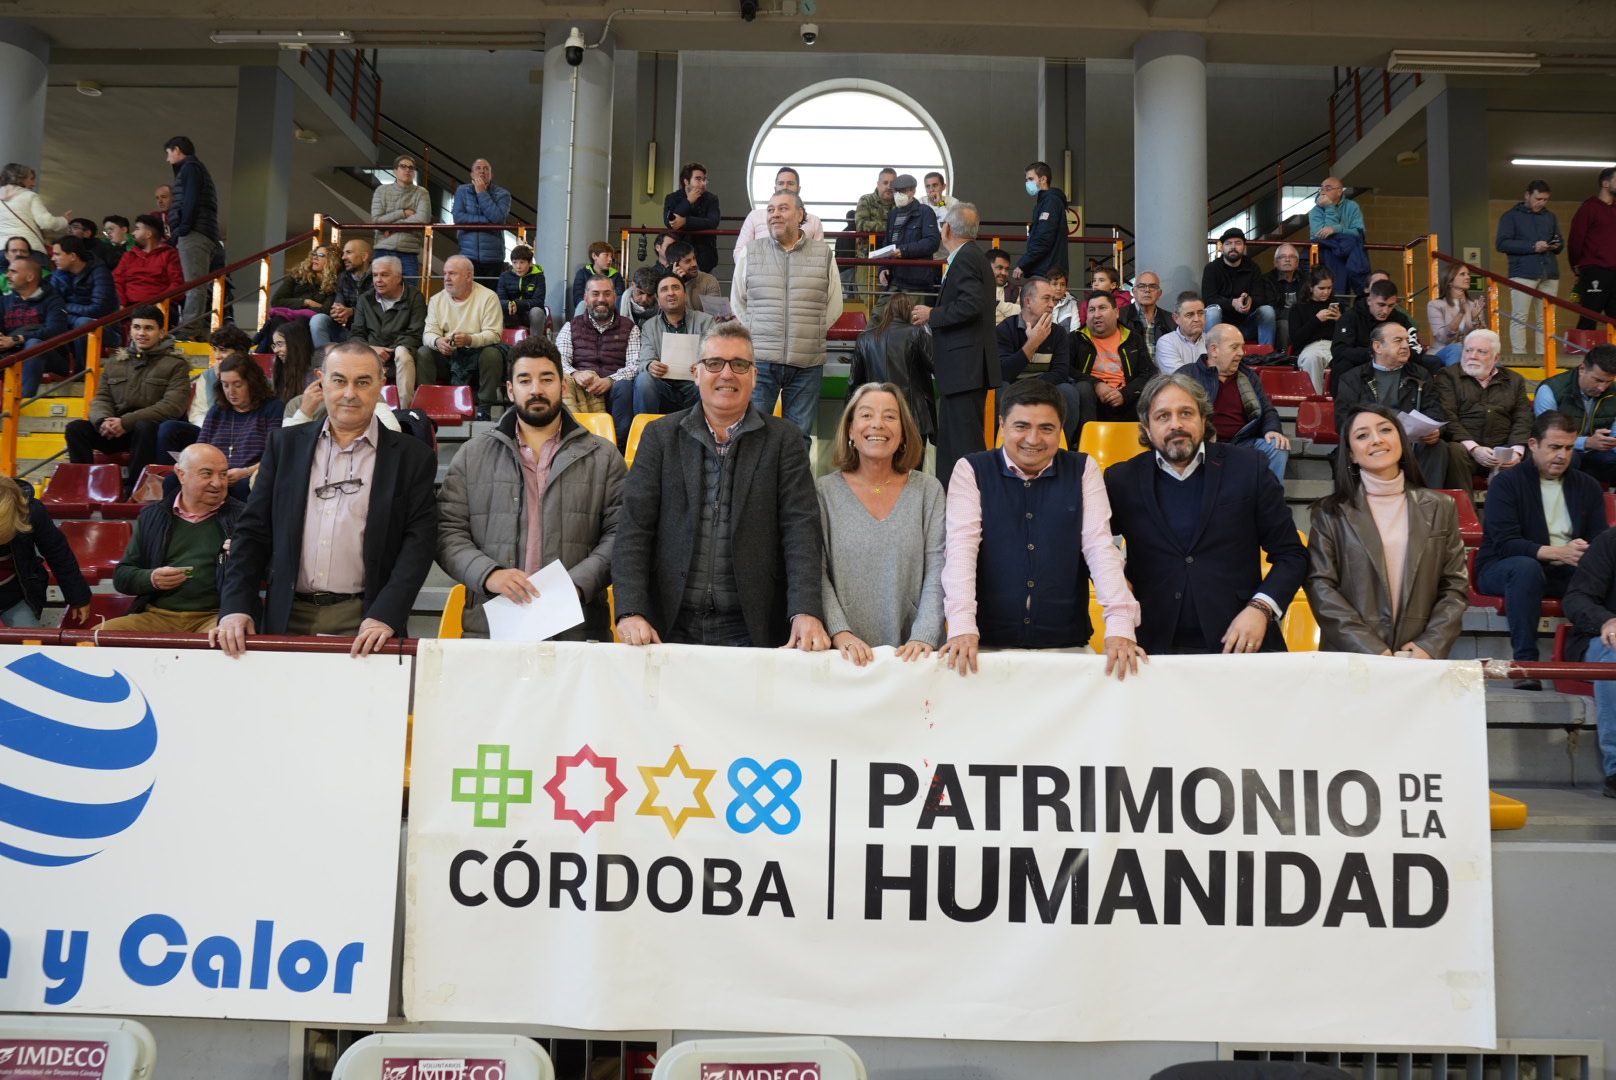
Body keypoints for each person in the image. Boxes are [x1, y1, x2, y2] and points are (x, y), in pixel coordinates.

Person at [212, 341, 438, 656]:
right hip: (286, 615)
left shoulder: (414, 457)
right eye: (339, 380)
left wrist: (386, 614)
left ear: (380, 384)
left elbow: (419, 545)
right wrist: (236, 605)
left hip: (366, 623)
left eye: (362, 382)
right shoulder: (283, 446)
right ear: (321, 380)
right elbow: (252, 533)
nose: (349, 393)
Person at [612, 321, 828, 650]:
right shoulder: (660, 438)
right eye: (714, 363)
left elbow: (801, 531)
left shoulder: (785, 441)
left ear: (754, 377)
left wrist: (805, 611)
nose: (727, 374)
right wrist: (630, 611)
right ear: (696, 373)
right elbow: (633, 529)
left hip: (752, 628)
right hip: (667, 627)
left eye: (739, 364)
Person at [939, 379, 1144, 678]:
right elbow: (960, 550)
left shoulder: (1083, 469)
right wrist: (961, 627)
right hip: (985, 646)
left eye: (1046, 428)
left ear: (1060, 429)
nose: (1033, 439)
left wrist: (1121, 626)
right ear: (1002, 425)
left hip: (1066, 645)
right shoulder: (971, 469)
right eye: (1021, 426)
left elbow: (1099, 547)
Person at [438, 335, 625, 640]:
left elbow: (622, 534)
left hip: (577, 626)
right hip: (492, 626)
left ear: (563, 386)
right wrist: (489, 575)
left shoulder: (603, 456)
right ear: (510, 390)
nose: (536, 389)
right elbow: (447, 532)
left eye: (547, 379)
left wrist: (575, 584)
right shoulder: (473, 455)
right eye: (525, 380)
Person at [1106, 372, 1306, 654]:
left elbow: (1292, 555)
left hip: (1242, 645)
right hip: (1151, 646)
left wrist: (1261, 608)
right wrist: (1114, 571)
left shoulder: (1250, 468)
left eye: (1185, 413)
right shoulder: (1121, 479)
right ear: (1147, 429)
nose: (1176, 424)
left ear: (1203, 419)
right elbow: (1088, 544)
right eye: (1163, 416)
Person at [1305, 405, 1468, 658]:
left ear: (1401, 440)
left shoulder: (1440, 507)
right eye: (1362, 435)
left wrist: (1430, 644)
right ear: (1351, 455)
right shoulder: (1329, 513)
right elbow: (1321, 586)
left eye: (1385, 430)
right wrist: (1371, 649)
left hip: (1417, 657)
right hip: (1352, 659)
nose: (1376, 439)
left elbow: (1454, 586)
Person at [819, 383, 946, 664]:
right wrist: (840, 633)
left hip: (916, 656)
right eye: (866, 415)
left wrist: (924, 634)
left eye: (890, 416)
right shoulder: (823, 492)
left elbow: (939, 568)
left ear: (903, 432)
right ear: (850, 429)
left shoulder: (929, 491)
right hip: (845, 657)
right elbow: (816, 572)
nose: (878, 424)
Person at [1475, 411, 1608, 678]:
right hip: (1503, 567)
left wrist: (1585, 553)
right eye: (1555, 447)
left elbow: (1600, 539)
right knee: (1526, 568)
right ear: (1533, 444)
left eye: (1569, 448)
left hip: (1566, 569)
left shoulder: (1588, 486)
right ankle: (1526, 665)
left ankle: (1588, 652)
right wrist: (1559, 552)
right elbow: (1506, 544)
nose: (1562, 455)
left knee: (1605, 571)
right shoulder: (1506, 483)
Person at [732, 191, 843, 442]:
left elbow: (835, 305)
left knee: (798, 437)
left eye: (782, 209)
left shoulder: (823, 254)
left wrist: (810, 331)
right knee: (751, 433)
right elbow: (738, 301)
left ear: (800, 215)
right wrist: (754, 330)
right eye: (770, 210)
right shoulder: (752, 251)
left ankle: (793, 484)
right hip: (760, 361)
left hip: (807, 363)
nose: (775, 215)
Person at [101, 443, 245, 633]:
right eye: (207, 474)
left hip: (217, 616)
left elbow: (270, 573)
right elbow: (122, 577)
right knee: (95, 640)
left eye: (223, 474)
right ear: (181, 474)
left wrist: (247, 556)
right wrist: (151, 578)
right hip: (155, 616)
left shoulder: (244, 517)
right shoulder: (152, 515)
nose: (218, 483)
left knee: (227, 640)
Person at [909, 203, 996, 487]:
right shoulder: (971, 256)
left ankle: (962, 507)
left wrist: (932, 314)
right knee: (956, 444)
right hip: (964, 370)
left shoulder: (966, 258)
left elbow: (970, 304)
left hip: (964, 370)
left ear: (947, 229)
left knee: (961, 449)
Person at [63, 305, 189, 495]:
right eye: (137, 327)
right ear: (130, 330)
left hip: (151, 435)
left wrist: (126, 421)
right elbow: (101, 398)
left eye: (148, 328)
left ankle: (134, 489)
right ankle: (82, 487)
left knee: (145, 426)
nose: (141, 333)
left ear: (161, 332)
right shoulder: (116, 362)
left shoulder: (176, 364)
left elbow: (172, 406)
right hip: (117, 430)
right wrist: (103, 420)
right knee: (76, 429)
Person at [1333, 322, 1447, 486]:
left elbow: (1435, 410)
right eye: (1398, 340)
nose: (1406, 346)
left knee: (1438, 446)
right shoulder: (1353, 378)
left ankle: (1425, 501)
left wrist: (1436, 430)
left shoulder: (1420, 374)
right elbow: (1343, 421)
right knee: (1347, 450)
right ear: (1378, 346)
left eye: (1407, 340)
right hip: (1373, 441)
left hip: (1410, 443)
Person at [156, 353, 282, 499]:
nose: (230, 392)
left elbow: (275, 455)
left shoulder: (273, 409)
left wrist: (246, 471)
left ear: (252, 382)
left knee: (243, 486)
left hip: (249, 475)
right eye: (225, 385)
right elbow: (201, 448)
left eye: (237, 384)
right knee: (171, 481)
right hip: (212, 475)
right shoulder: (217, 410)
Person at [1185, 324, 1290, 483]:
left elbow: (1267, 409)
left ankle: (1269, 503)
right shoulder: (1187, 375)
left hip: (1243, 443)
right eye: (1234, 347)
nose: (1241, 353)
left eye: (1242, 347)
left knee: (1277, 446)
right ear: (1214, 350)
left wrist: (1272, 429)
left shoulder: (1248, 375)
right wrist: (1204, 434)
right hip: (1203, 443)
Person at [1435, 329, 1534, 493]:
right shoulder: (1448, 376)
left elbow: (1522, 418)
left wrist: (1516, 451)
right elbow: (1448, 416)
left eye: (1481, 352)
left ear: (1496, 358)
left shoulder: (1514, 380)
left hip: (1503, 449)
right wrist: (1474, 449)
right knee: (1453, 450)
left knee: (1538, 452)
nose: (1472, 356)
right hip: (1465, 450)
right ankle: (1465, 513)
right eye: (1468, 350)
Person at [1561, 527, 1616, 796]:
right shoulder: (1610, 542)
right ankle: (1615, 768)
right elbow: (1576, 598)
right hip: (1601, 639)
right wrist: (1607, 620)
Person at [557, 273, 640, 445]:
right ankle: (571, 444)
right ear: (586, 298)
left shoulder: (630, 328)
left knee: (624, 387)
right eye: (595, 294)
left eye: (607, 294)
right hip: (581, 388)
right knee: (563, 381)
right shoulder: (570, 327)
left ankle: (618, 450)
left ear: (615, 297)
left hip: (614, 389)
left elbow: (635, 365)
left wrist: (610, 380)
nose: (601, 299)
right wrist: (575, 374)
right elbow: (559, 360)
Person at [416, 254, 505, 414]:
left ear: (468, 276)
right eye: (444, 273)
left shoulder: (488, 297)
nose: (446, 278)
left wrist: (469, 339)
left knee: (492, 354)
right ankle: (428, 406)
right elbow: (428, 333)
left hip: (478, 356)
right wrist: (437, 341)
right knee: (424, 352)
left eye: (452, 273)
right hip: (448, 356)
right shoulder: (436, 299)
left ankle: (483, 410)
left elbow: (494, 335)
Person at [0, 476, 90, 628]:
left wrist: (78, 597)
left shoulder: (32, 512)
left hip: (16, 595)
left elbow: (58, 554)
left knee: (31, 643)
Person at [851, 291, 934, 445]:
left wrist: (850, 418)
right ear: (908, 311)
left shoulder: (864, 338)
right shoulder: (918, 333)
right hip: (914, 415)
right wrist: (927, 330)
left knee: (879, 462)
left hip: (877, 415)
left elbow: (854, 383)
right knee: (912, 466)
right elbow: (935, 365)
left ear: (887, 310)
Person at [1071, 291, 1154, 443]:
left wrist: (1125, 394)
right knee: (1082, 388)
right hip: (1092, 402)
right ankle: (1088, 445)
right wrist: (1095, 384)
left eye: (1102, 308)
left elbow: (1148, 373)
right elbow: (1065, 370)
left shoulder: (1133, 338)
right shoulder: (1075, 339)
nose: (1096, 315)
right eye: (1091, 310)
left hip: (1127, 400)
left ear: (1116, 312)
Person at [349, 254, 427, 407]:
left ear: (398, 277)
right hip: (373, 351)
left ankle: (404, 410)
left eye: (384, 275)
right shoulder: (365, 299)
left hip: (403, 350)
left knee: (402, 355)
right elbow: (356, 334)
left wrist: (392, 350)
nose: (378, 280)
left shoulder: (415, 297)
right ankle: (362, 407)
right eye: (375, 275)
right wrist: (371, 349)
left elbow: (416, 332)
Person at [163, 136, 221, 337]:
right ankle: (197, 328)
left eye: (168, 153)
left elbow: (190, 200)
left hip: (195, 233)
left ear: (177, 150)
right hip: (201, 231)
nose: (167, 159)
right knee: (196, 284)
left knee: (194, 285)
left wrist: (182, 228)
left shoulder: (190, 168)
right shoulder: (194, 169)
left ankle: (188, 330)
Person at [632, 272, 713, 416]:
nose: (670, 293)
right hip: (664, 387)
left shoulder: (706, 322)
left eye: (675, 288)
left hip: (695, 387)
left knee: (708, 380)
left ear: (685, 294)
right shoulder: (649, 326)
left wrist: (704, 365)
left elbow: (716, 357)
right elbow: (644, 360)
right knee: (644, 379)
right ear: (657, 299)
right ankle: (645, 434)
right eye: (664, 290)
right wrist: (650, 365)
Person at [1496, 179, 1562, 355]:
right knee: (1520, 317)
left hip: (1549, 272)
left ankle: (1545, 357)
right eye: (1538, 198)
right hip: (1523, 272)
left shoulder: (1550, 216)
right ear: (1527, 195)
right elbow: (1502, 244)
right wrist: (1533, 246)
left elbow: (1560, 242)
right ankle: (1519, 356)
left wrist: (1557, 245)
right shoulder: (1510, 216)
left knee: (1546, 319)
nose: (1541, 203)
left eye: (1545, 199)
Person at [1535, 343, 1616, 485]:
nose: (1602, 388)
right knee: (1569, 460)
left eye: (1608, 382)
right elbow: (1546, 437)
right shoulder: (1551, 390)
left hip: (1598, 454)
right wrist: (1587, 443)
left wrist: (1610, 442)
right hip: (1560, 449)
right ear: (1582, 369)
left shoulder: (1613, 392)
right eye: (1597, 380)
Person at [1331, 279, 1429, 385]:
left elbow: (1416, 349)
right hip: (1360, 364)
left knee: (1429, 363)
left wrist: (1396, 355)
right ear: (1369, 301)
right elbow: (1340, 351)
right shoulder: (1350, 318)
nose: (1385, 311)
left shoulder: (1401, 319)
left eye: (1391, 305)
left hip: (1396, 364)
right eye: (1381, 305)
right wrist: (1377, 354)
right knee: (1342, 365)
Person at [0, 253, 69, 396]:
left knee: (34, 344)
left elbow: (56, 330)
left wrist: (17, 339)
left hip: (52, 358)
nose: (7, 275)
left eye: (13, 271)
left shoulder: (53, 300)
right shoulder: (3, 301)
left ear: (30, 277)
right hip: (12, 355)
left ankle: (23, 404)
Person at [48, 235, 117, 365]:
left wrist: (66, 307)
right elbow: (53, 309)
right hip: (71, 325)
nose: (53, 258)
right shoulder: (57, 276)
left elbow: (99, 309)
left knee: (83, 323)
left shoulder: (100, 272)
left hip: (106, 328)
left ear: (73, 256)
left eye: (57, 254)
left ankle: (83, 372)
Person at [1201, 228, 1275, 346]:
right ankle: (1211, 355)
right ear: (1222, 247)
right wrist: (1233, 303)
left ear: (1244, 247)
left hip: (1247, 324)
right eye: (1228, 243)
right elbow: (1208, 299)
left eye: (1238, 243)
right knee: (1212, 311)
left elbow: (1261, 297)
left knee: (1267, 310)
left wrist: (1250, 300)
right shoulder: (1212, 268)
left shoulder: (1253, 267)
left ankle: (1266, 356)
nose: (1233, 247)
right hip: (1221, 326)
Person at [255, 243, 335, 351]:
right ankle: (276, 359)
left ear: (332, 261)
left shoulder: (334, 284)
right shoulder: (297, 276)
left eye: (321, 255)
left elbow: (325, 310)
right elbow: (276, 301)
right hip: (287, 317)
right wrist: (306, 302)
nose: (315, 257)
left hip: (308, 321)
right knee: (278, 320)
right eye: (314, 254)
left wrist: (294, 304)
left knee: (301, 321)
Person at [370, 153, 431, 282]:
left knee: (409, 293)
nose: (408, 170)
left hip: (408, 251)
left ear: (414, 172)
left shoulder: (422, 192)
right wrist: (403, 213)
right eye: (403, 166)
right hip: (383, 249)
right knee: (380, 292)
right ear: (395, 171)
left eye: (411, 167)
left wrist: (393, 228)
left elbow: (422, 219)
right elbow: (376, 220)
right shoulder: (381, 190)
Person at [879, 174, 941, 299]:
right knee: (879, 316)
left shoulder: (926, 210)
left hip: (916, 281)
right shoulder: (893, 214)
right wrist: (883, 267)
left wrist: (941, 202)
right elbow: (888, 242)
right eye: (895, 191)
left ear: (913, 191)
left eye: (902, 191)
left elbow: (932, 241)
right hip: (894, 279)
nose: (898, 195)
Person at [1569, 167, 1616, 329]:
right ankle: (1580, 353)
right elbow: (1576, 239)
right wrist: (1576, 266)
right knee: (1590, 314)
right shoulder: (1589, 208)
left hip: (1614, 271)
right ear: (1605, 183)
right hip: (1595, 269)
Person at [452, 158, 512, 285]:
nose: (482, 171)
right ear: (472, 174)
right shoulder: (462, 191)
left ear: (491, 174)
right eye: (478, 168)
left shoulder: (503, 194)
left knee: (490, 298)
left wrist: (482, 193)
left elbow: (498, 218)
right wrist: (487, 221)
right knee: (468, 297)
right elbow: (458, 218)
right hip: (468, 255)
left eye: (486, 169)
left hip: (493, 257)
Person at [1309, 176, 1369, 296]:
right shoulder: (1315, 211)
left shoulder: (1352, 206)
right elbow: (1321, 235)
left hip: (1348, 252)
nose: (1323, 191)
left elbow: (1358, 232)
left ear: (1340, 191)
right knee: (1345, 243)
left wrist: (1336, 229)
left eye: (1328, 188)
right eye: (1321, 188)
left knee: (1353, 241)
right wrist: (1329, 207)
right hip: (1327, 252)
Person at [735, 167, 824, 246]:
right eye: (781, 183)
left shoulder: (814, 221)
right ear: (775, 188)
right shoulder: (754, 216)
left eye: (790, 183)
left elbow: (820, 254)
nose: (785, 187)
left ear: (798, 188)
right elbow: (740, 251)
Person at [310, 237, 372, 348]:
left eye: (349, 253)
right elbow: (339, 303)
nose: (343, 257)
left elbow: (376, 310)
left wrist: (351, 312)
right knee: (318, 320)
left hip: (371, 336)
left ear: (364, 256)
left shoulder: (377, 276)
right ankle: (324, 361)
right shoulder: (343, 277)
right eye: (343, 253)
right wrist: (338, 312)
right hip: (348, 332)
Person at [1012, 160, 1069, 282]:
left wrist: (1023, 264)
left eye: (1031, 179)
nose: (1027, 183)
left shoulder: (1050, 202)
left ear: (1043, 179)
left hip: (1047, 271)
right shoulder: (1045, 202)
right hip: (1047, 269)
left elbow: (1043, 238)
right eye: (1026, 180)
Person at [112, 214, 183, 308]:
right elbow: (117, 281)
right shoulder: (129, 256)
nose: (133, 233)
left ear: (148, 234)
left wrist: (158, 303)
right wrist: (121, 303)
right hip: (128, 308)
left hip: (159, 308)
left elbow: (177, 284)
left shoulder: (170, 254)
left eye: (137, 229)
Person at [1290, 267, 1343, 393]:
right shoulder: (1298, 308)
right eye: (1321, 288)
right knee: (1312, 358)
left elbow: (1348, 336)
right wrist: (1316, 320)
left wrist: (1341, 321)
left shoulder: (1339, 307)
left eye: (1329, 288)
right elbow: (1296, 339)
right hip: (1310, 346)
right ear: (1311, 287)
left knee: (1346, 359)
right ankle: (1315, 399)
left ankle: (1341, 402)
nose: (1326, 292)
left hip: (1333, 346)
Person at [663, 160, 721, 274]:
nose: (703, 183)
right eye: (698, 179)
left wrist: (685, 222)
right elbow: (669, 221)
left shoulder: (711, 199)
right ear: (686, 181)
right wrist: (688, 201)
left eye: (704, 179)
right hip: (679, 253)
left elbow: (712, 222)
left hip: (704, 253)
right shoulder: (672, 198)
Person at [0, 163, 68, 256]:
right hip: (29, 248)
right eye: (31, 179)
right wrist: (64, 220)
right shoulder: (29, 195)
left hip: (2, 251)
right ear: (21, 178)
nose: (34, 184)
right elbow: (47, 223)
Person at [1426, 262, 1485, 365]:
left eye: (1468, 274)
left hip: (1469, 351)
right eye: (1462, 274)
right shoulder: (1435, 305)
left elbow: (1482, 337)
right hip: (1442, 351)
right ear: (1450, 281)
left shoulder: (1473, 305)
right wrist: (1460, 314)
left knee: (1490, 353)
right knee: (1456, 349)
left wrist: (1474, 319)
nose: (1468, 277)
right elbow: (1443, 338)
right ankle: (1455, 380)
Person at [496, 244, 548, 339]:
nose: (518, 266)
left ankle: (535, 344)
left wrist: (517, 304)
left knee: (537, 312)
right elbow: (500, 299)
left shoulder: (539, 277)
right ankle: (499, 343)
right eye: (515, 262)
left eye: (522, 262)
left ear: (530, 263)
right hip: (511, 313)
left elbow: (539, 301)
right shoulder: (504, 276)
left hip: (529, 314)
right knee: (496, 309)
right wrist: (508, 304)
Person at [1120, 271, 1174, 362]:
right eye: (1141, 286)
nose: (1147, 290)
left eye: (1152, 286)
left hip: (1163, 373)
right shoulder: (1120, 317)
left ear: (1159, 293)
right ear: (1134, 292)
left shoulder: (1171, 320)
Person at [1262, 244, 1307, 352]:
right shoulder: (1266, 280)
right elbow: (1270, 309)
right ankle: (1282, 359)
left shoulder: (1306, 280)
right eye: (1282, 257)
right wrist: (1295, 316)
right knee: (1284, 324)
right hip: (1278, 322)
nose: (1287, 260)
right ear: (1275, 262)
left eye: (1292, 257)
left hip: (1302, 321)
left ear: (1297, 263)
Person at [1154, 291, 1209, 376]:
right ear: (1176, 318)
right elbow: (1181, 378)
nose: (1197, 319)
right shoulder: (1166, 342)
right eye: (1189, 315)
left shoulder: (1211, 340)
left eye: (1200, 313)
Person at [272, 319, 317, 411]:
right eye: (274, 345)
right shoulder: (280, 371)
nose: (275, 350)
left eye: (280, 344)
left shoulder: (314, 376)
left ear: (295, 344)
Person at [667, 241, 723, 313]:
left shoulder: (709, 280)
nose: (694, 264)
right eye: (687, 261)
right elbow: (673, 315)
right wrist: (678, 284)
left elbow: (714, 317)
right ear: (674, 266)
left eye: (694, 258)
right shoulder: (666, 286)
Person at [569, 242, 620, 315]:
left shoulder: (616, 275)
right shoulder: (582, 274)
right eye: (606, 255)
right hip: (587, 313)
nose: (610, 259)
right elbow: (578, 299)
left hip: (609, 313)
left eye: (611, 256)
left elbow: (618, 299)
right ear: (594, 256)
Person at [854, 168, 897, 246]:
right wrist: (891, 227)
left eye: (892, 184)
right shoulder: (866, 200)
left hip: (894, 253)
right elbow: (861, 225)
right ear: (878, 184)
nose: (889, 187)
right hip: (869, 252)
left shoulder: (900, 203)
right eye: (885, 183)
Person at [987, 249, 1020, 323]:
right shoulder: (977, 287)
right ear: (987, 267)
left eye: (1007, 269)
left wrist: (998, 304)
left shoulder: (1015, 290)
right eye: (1000, 268)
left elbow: (1022, 313)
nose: (1004, 273)